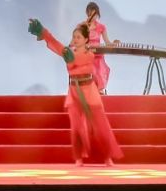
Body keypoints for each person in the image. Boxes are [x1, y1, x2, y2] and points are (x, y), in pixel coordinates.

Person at [28, 18, 123, 166]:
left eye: (78, 37)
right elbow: (56, 44)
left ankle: (107, 157)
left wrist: (67, 54)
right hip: (74, 92)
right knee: (77, 127)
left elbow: (78, 59)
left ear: (86, 39)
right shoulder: (69, 53)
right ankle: (78, 157)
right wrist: (43, 33)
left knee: (100, 126)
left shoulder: (90, 53)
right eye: (74, 37)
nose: (75, 39)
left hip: (90, 91)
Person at [83, 2, 112, 94]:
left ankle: (98, 90)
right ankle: (89, 90)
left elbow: (107, 42)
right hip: (87, 53)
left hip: (98, 55)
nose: (93, 16)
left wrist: (114, 44)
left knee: (99, 66)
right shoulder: (83, 26)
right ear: (87, 13)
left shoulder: (101, 27)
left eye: (94, 14)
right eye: (90, 14)